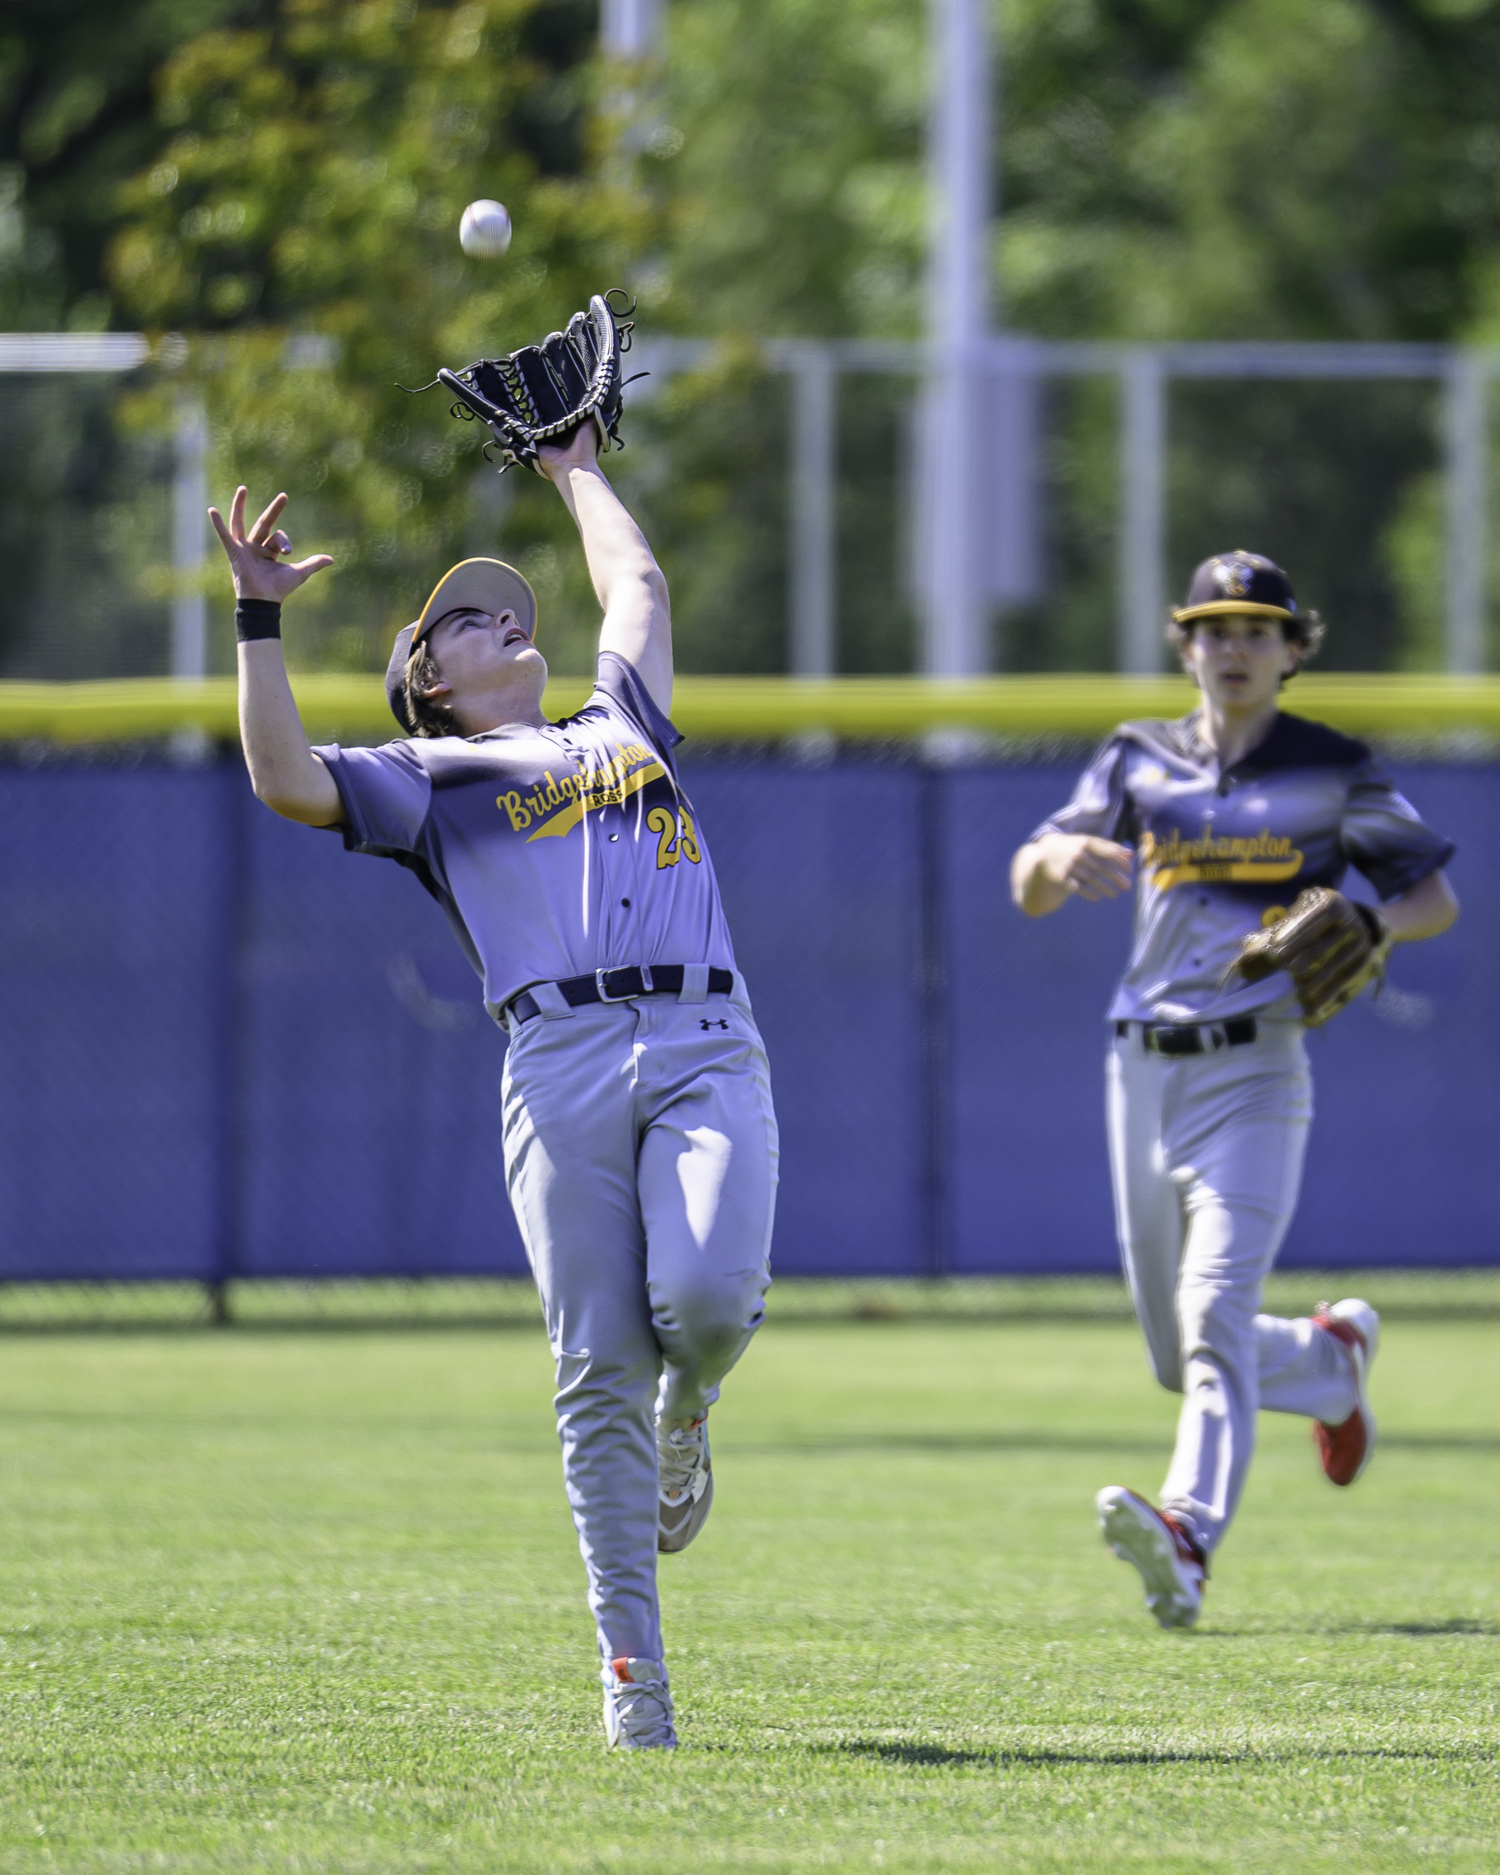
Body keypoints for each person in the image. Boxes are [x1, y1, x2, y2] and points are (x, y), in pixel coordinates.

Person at [209, 422, 778, 1747]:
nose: (502, 620)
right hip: (560, 1058)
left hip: (703, 1036)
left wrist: (574, 464)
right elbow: (283, 776)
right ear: (431, 682)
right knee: (593, 1368)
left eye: (506, 612)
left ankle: (690, 1406)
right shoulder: (431, 776)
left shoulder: (621, 719)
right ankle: (634, 1677)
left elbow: (636, 591)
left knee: (701, 1303)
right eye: (466, 620)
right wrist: (256, 616)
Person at [1009, 551, 1458, 1629]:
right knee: (1180, 1354)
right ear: (1187, 644)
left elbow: (1431, 896)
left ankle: (1188, 1537)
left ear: (1294, 650)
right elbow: (1026, 886)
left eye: (1259, 629)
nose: (1236, 646)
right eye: (1215, 628)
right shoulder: (1136, 758)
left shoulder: (1332, 768)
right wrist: (1061, 860)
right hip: (1139, 1069)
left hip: (1256, 1065)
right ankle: (1327, 1360)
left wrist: (1369, 922)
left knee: (1211, 1309)